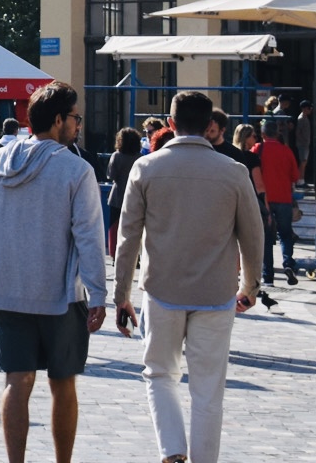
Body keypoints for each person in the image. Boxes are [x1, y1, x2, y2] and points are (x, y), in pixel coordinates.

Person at [114, 91, 263, 463]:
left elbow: (127, 236)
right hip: (215, 292)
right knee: (208, 388)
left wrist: (121, 295)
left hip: (161, 289)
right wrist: (250, 286)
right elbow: (253, 235)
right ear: (210, 126)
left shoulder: (146, 169)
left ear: (171, 122)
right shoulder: (234, 172)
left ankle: (172, 449)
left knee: (160, 374)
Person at [0, 82, 107, 463]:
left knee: (17, 380)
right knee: (63, 382)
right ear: (59, 120)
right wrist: (98, 294)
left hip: (5, 287)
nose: (79, 125)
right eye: (75, 118)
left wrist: (10, 240)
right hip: (60, 293)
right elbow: (90, 237)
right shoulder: (77, 169)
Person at [255, 117, 301, 286]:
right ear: (277, 133)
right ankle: (288, 262)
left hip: (264, 200)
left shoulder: (257, 149)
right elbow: (296, 176)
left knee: (266, 238)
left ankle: (268, 276)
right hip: (283, 198)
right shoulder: (286, 151)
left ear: (262, 133)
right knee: (285, 234)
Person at [105, 128, 141, 258]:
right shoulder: (140, 157)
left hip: (117, 196)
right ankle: (134, 255)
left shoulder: (116, 156)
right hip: (134, 196)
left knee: (114, 228)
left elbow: (110, 175)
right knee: (133, 228)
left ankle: (115, 254)